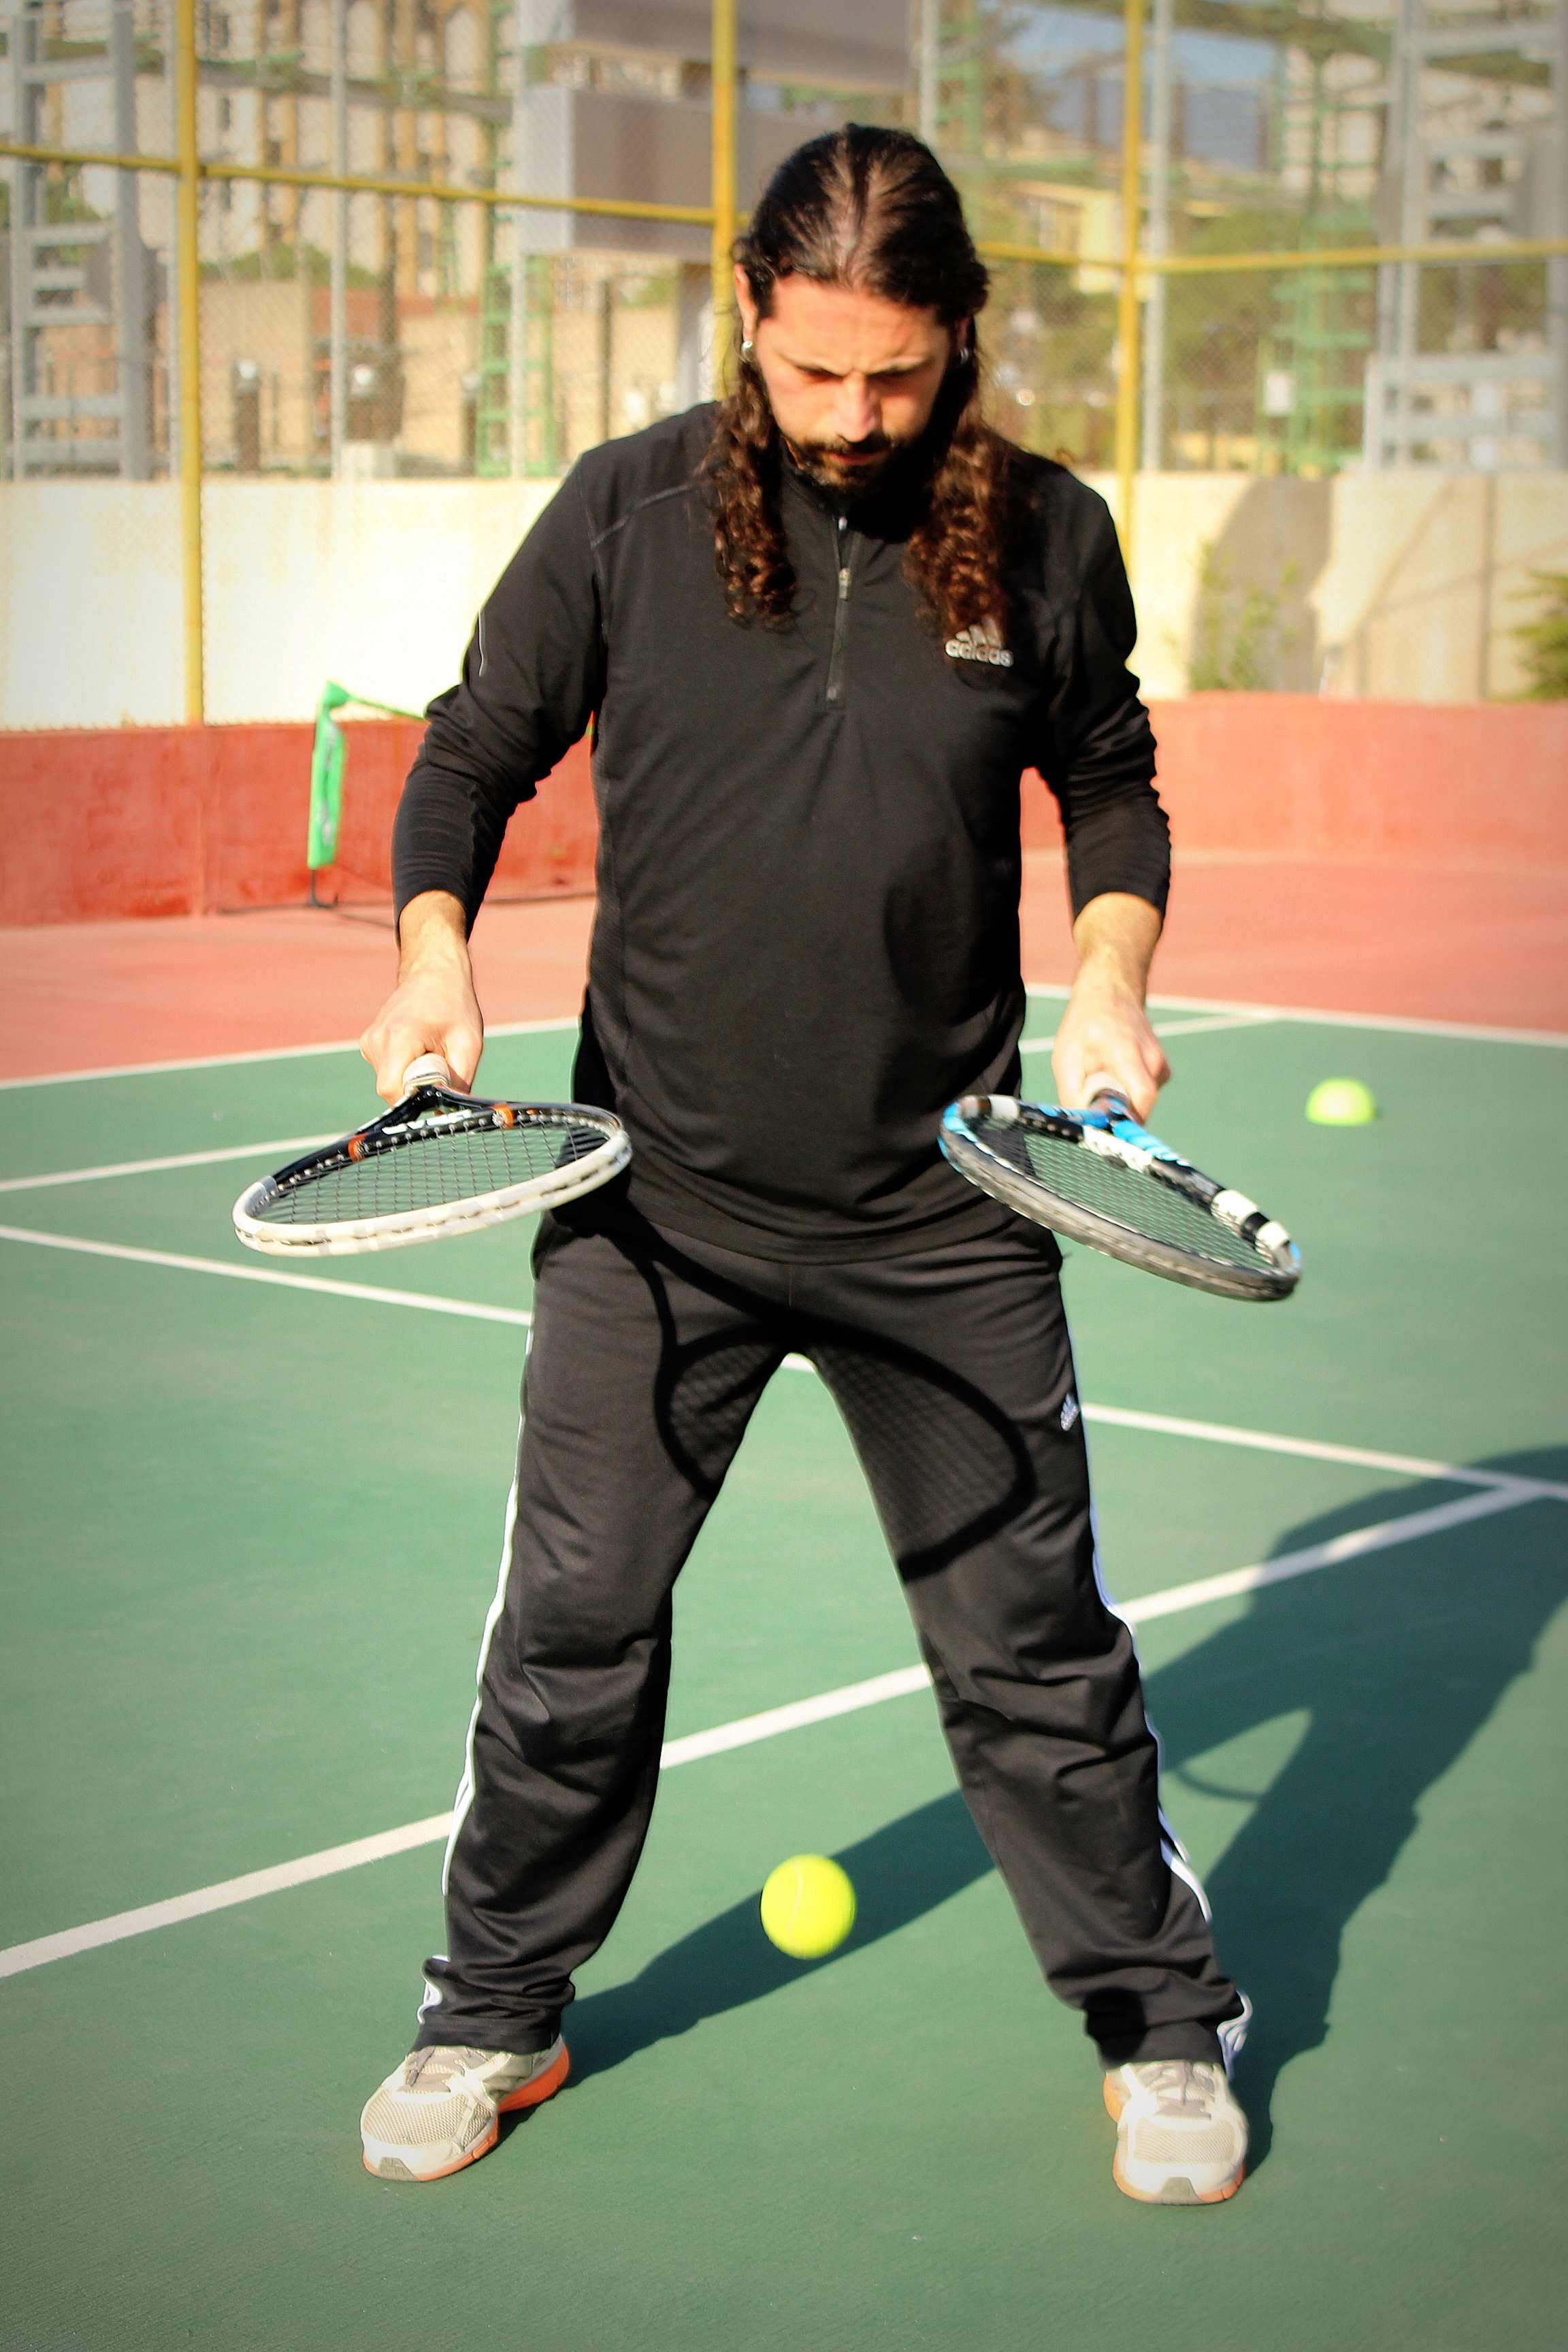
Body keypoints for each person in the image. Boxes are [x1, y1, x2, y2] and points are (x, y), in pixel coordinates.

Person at [357, 125, 1250, 2204]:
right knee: (572, 1629)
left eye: (899, 376)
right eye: (814, 368)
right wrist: (432, 959)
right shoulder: (629, 511)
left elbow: (1111, 782)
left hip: (943, 1220)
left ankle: (1160, 2025)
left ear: (963, 343)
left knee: (1031, 1647)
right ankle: (493, 2012)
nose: (853, 416)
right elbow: (473, 748)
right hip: (652, 1212)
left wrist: (1111, 980)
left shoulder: (1048, 534)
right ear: (749, 314)